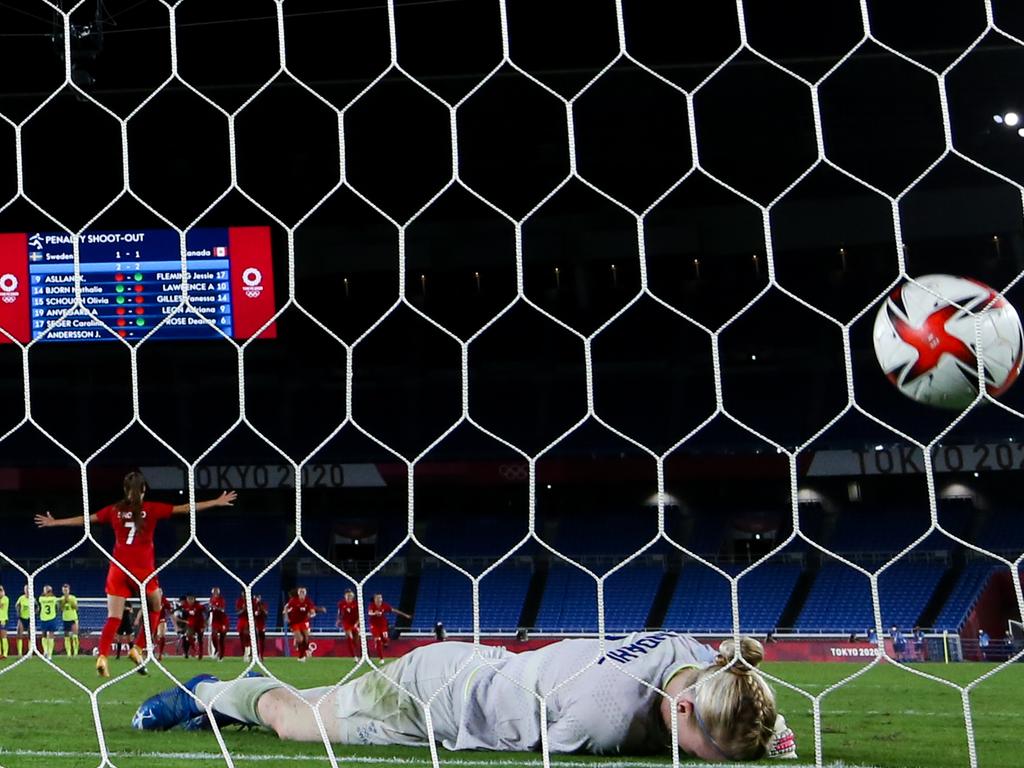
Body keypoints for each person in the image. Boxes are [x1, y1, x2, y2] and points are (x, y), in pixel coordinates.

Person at [132, 632, 798, 761]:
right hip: (437, 696)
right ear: (683, 711)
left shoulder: (693, 656)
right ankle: (211, 690)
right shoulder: (601, 720)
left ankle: (225, 702)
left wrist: (768, 732)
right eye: (715, 754)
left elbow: (733, 679)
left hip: (471, 669)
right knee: (296, 724)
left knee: (325, 700)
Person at [35, 470, 237, 676]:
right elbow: (185, 509)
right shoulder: (151, 509)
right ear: (144, 490)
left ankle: (102, 657)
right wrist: (215, 501)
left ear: (124, 490)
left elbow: (87, 519)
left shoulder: (114, 510)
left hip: (118, 569)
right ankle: (137, 648)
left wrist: (56, 522)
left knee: (113, 617)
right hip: (143, 570)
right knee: (155, 609)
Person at [284, 587, 325, 661]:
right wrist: (286, 617)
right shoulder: (293, 601)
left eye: (303, 593)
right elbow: (286, 608)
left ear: (305, 594)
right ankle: (301, 656)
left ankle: (303, 655)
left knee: (306, 638)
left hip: (302, 622)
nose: (302, 594)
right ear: (298, 594)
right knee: (300, 639)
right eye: (300, 593)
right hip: (294, 622)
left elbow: (312, 611)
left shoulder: (308, 601)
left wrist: (312, 614)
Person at [367, 592, 411, 661]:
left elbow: (394, 610)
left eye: (380, 598)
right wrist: (375, 613)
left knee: (385, 639)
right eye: (378, 598)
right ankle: (381, 658)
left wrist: (405, 615)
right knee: (378, 639)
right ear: (374, 599)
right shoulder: (372, 606)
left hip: (383, 626)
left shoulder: (384, 605)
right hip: (374, 626)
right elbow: (369, 613)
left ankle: (384, 642)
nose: (379, 599)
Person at [37, 585, 60, 660]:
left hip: (44, 618)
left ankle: (46, 651)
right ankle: (49, 653)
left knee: (44, 634)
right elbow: (57, 607)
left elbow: (41, 598)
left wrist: (44, 592)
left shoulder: (41, 599)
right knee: (50, 635)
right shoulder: (54, 599)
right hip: (51, 618)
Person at [336, 588, 360, 658]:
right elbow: (339, 613)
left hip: (355, 622)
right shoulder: (341, 604)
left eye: (350, 595)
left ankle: (356, 650)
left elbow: (360, 615)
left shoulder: (356, 604)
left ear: (353, 596)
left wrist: (357, 623)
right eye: (347, 595)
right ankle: (354, 656)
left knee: (356, 640)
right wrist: (338, 620)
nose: (349, 596)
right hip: (346, 623)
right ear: (345, 596)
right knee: (349, 637)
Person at [179, 595, 205, 660]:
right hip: (191, 624)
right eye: (188, 599)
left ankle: (200, 654)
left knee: (200, 640)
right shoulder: (185, 606)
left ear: (194, 599)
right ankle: (194, 648)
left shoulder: (198, 606)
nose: (190, 600)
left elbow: (205, 611)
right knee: (188, 635)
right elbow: (181, 610)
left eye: (191, 599)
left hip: (199, 624)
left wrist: (205, 623)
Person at [208, 587, 229, 661]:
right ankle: (216, 650)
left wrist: (214, 607)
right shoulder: (211, 600)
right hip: (215, 621)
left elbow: (222, 609)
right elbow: (210, 610)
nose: (215, 593)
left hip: (223, 621)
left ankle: (221, 656)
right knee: (214, 634)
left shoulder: (221, 600)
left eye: (216, 592)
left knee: (222, 639)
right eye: (214, 592)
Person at [14, 585, 34, 657]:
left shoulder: (32, 598)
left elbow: (37, 606)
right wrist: (18, 612)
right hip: (22, 618)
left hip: (30, 618)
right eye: (26, 589)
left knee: (30, 635)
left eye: (28, 589)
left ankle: (30, 653)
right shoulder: (21, 598)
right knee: (19, 635)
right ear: (24, 590)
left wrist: (34, 612)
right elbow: (17, 605)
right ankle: (19, 653)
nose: (27, 591)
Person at [61, 583, 80, 657]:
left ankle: (75, 652)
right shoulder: (62, 599)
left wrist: (70, 601)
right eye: (64, 590)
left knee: (75, 635)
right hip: (65, 618)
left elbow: (76, 607)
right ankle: (68, 652)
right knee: (66, 635)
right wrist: (63, 603)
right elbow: (60, 609)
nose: (65, 591)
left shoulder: (73, 598)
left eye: (66, 590)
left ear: (69, 590)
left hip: (73, 618)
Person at [156, 595, 173, 660]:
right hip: (152, 620)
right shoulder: (150, 598)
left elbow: (169, 608)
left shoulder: (163, 599)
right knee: (153, 637)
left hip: (161, 620)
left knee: (161, 635)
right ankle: (150, 652)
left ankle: (160, 653)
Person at [0, 585, 9, 659]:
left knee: (3, 637)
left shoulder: (5, 599)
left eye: (1, 591)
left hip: (3, 619)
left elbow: (1, 606)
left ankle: (5, 654)